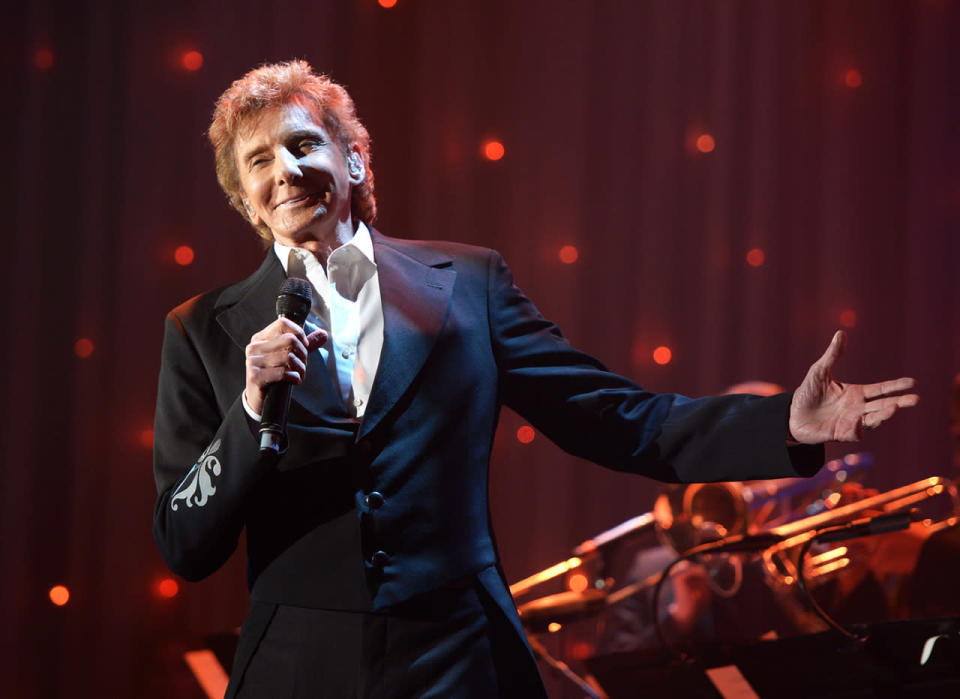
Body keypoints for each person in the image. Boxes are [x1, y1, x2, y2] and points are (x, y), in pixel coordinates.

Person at [151, 60, 919, 697]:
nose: (285, 171)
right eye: (259, 161)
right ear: (245, 199)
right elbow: (184, 541)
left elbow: (616, 417)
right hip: (297, 663)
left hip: (455, 653)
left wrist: (785, 423)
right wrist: (252, 412)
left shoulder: (468, 284)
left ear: (351, 159)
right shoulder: (203, 329)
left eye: (302, 144)